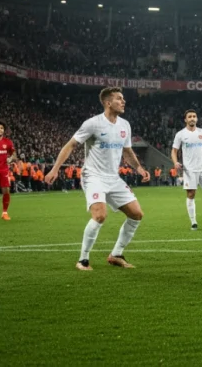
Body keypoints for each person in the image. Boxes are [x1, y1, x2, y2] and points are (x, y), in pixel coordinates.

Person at [46, 87, 150, 271]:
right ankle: (83, 260)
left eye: (123, 98)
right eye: (119, 98)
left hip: (113, 177)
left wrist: (139, 168)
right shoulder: (93, 124)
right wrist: (55, 169)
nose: (123, 101)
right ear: (108, 102)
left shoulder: (124, 125)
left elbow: (127, 151)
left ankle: (116, 254)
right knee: (100, 215)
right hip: (93, 176)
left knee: (136, 214)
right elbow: (70, 146)